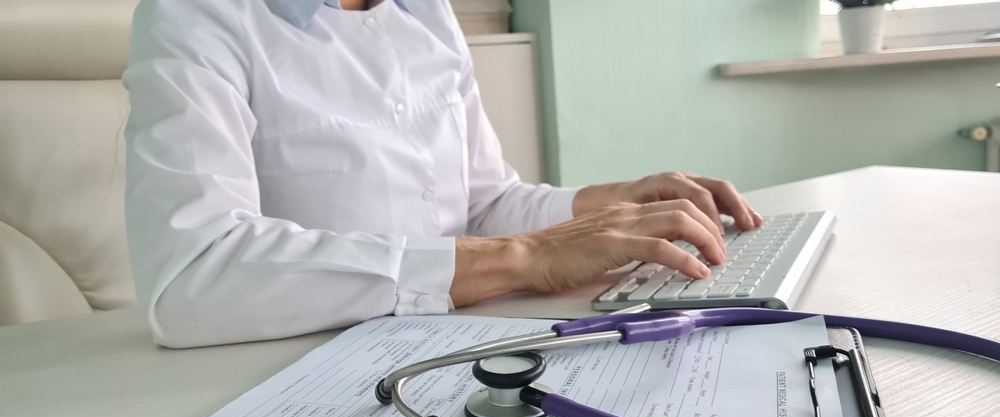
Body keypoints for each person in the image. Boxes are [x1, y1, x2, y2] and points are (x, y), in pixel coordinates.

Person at [123, 0, 763, 349]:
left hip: (448, 340)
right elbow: (191, 282)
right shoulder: (196, 14)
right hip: (292, 366)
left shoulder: (426, 12)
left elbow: (479, 204)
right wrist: (519, 258)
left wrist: (606, 207)